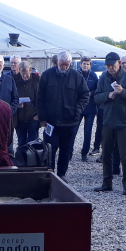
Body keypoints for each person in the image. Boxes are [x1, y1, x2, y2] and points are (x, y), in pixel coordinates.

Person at [93, 52, 126, 195]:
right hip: (108, 120)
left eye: (112, 65)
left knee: (125, 154)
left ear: (119, 63)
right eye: (107, 66)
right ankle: (106, 183)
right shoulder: (104, 77)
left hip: (124, 121)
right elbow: (96, 97)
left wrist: (123, 92)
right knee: (106, 153)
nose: (110, 68)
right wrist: (108, 95)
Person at [37, 51, 90, 180]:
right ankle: (49, 173)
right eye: (62, 64)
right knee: (50, 149)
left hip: (70, 122)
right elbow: (40, 98)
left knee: (66, 149)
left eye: (67, 64)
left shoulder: (77, 77)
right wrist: (42, 118)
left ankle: (62, 174)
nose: (64, 67)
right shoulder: (47, 75)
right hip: (51, 122)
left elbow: (85, 95)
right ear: (57, 62)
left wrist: (77, 110)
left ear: (70, 63)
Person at [0, 54, 20, 155]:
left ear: (3, 66)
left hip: (6, 119)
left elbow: (15, 98)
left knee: (9, 147)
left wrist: (10, 111)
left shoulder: (9, 80)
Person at [14, 61, 41, 148]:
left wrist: (38, 115)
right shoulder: (15, 80)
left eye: (26, 73)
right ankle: (22, 156)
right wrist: (17, 104)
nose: (25, 76)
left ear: (30, 70)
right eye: (22, 73)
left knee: (33, 142)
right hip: (20, 118)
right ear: (19, 71)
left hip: (33, 116)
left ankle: (33, 156)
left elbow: (41, 99)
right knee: (21, 142)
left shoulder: (37, 80)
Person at [78, 55, 100, 162]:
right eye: (84, 64)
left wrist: (90, 93)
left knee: (87, 132)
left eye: (87, 64)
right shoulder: (76, 74)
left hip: (90, 108)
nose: (85, 66)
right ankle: (68, 152)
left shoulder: (94, 76)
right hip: (78, 107)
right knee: (72, 131)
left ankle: (84, 153)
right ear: (80, 64)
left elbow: (98, 89)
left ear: (90, 65)